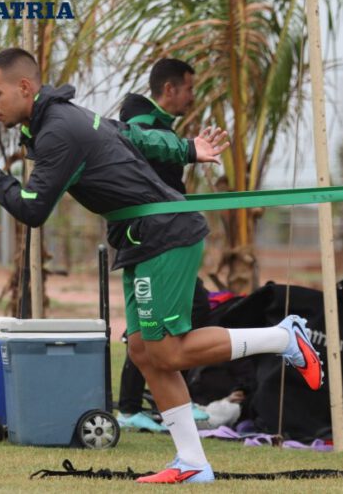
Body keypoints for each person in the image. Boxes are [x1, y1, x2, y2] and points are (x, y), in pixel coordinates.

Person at [0, 48, 324, 484]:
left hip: (163, 234)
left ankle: (284, 337)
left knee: (167, 350)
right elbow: (130, 134)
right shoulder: (62, 119)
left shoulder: (57, 131)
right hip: (141, 237)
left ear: (24, 87)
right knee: (142, 351)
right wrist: (187, 148)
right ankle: (192, 463)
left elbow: (33, 209)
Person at [114, 58, 211, 434]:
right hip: (154, 239)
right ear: (169, 89)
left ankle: (155, 404)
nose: (192, 96)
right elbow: (142, 142)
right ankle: (282, 338)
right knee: (148, 334)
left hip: (167, 237)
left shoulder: (160, 127)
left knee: (152, 331)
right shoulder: (140, 122)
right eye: (189, 88)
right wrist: (187, 148)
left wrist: (188, 148)